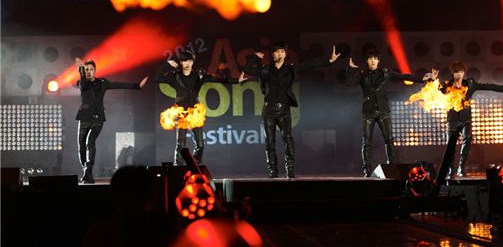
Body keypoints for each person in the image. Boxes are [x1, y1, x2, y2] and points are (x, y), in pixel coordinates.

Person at [243, 41, 340, 179]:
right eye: (277, 51)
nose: (280, 54)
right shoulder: (265, 69)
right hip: (269, 109)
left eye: (282, 51)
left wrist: (329, 60)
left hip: (284, 110)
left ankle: (290, 170)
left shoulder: (290, 69)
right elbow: (247, 69)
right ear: (272, 54)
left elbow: (310, 65)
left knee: (288, 139)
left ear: (285, 54)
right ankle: (273, 171)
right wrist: (253, 56)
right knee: (270, 143)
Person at [345, 50, 433, 177]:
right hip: (368, 112)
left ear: (378, 60)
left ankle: (391, 166)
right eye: (370, 59)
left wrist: (421, 79)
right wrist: (350, 69)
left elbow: (404, 77)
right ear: (367, 61)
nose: (373, 61)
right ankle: (367, 170)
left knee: (389, 140)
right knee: (366, 142)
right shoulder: (362, 75)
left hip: (383, 111)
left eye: (375, 58)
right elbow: (349, 83)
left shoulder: (386, 73)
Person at [155, 50, 246, 165]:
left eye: (188, 61)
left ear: (192, 62)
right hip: (181, 112)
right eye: (183, 61)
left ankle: (195, 165)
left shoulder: (199, 75)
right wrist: (167, 65)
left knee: (200, 143)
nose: (186, 63)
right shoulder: (175, 76)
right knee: (181, 143)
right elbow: (158, 78)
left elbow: (217, 79)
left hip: (195, 113)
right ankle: (178, 167)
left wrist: (236, 80)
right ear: (181, 63)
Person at [433, 62, 503, 184]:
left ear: (463, 73)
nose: (459, 74)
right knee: (451, 148)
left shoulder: (470, 84)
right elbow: (439, 89)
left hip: (466, 120)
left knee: (467, 144)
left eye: (461, 72)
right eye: (456, 72)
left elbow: (487, 86)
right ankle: (451, 171)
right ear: (452, 73)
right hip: (452, 121)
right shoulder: (447, 85)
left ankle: (461, 169)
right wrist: (434, 80)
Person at [75, 58, 148, 184]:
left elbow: (118, 85)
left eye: (91, 69)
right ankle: (87, 172)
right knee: (81, 147)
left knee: (90, 142)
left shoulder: (103, 82)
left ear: (95, 71)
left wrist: (137, 86)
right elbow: (83, 84)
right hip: (84, 118)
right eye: (86, 69)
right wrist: (81, 71)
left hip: (98, 118)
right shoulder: (82, 82)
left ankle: (88, 171)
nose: (89, 72)